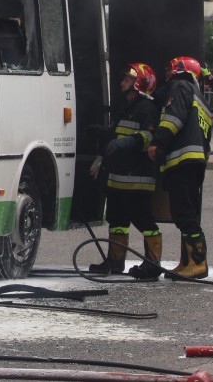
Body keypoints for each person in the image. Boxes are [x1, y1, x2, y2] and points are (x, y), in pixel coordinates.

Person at [87, 63, 162, 278]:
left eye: (128, 80)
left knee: (143, 220)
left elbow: (151, 137)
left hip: (138, 177)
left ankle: (153, 265)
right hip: (118, 177)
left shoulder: (146, 109)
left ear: (140, 83)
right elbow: (116, 134)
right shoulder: (125, 107)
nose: (122, 83)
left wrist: (127, 143)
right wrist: (102, 134)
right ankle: (115, 262)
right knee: (117, 220)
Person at [148, 56, 211, 280]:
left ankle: (198, 263)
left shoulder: (179, 86)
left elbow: (174, 119)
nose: (166, 73)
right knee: (186, 213)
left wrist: (158, 142)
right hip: (193, 163)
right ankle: (187, 263)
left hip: (182, 162)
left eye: (169, 68)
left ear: (180, 70)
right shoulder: (200, 98)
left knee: (184, 213)